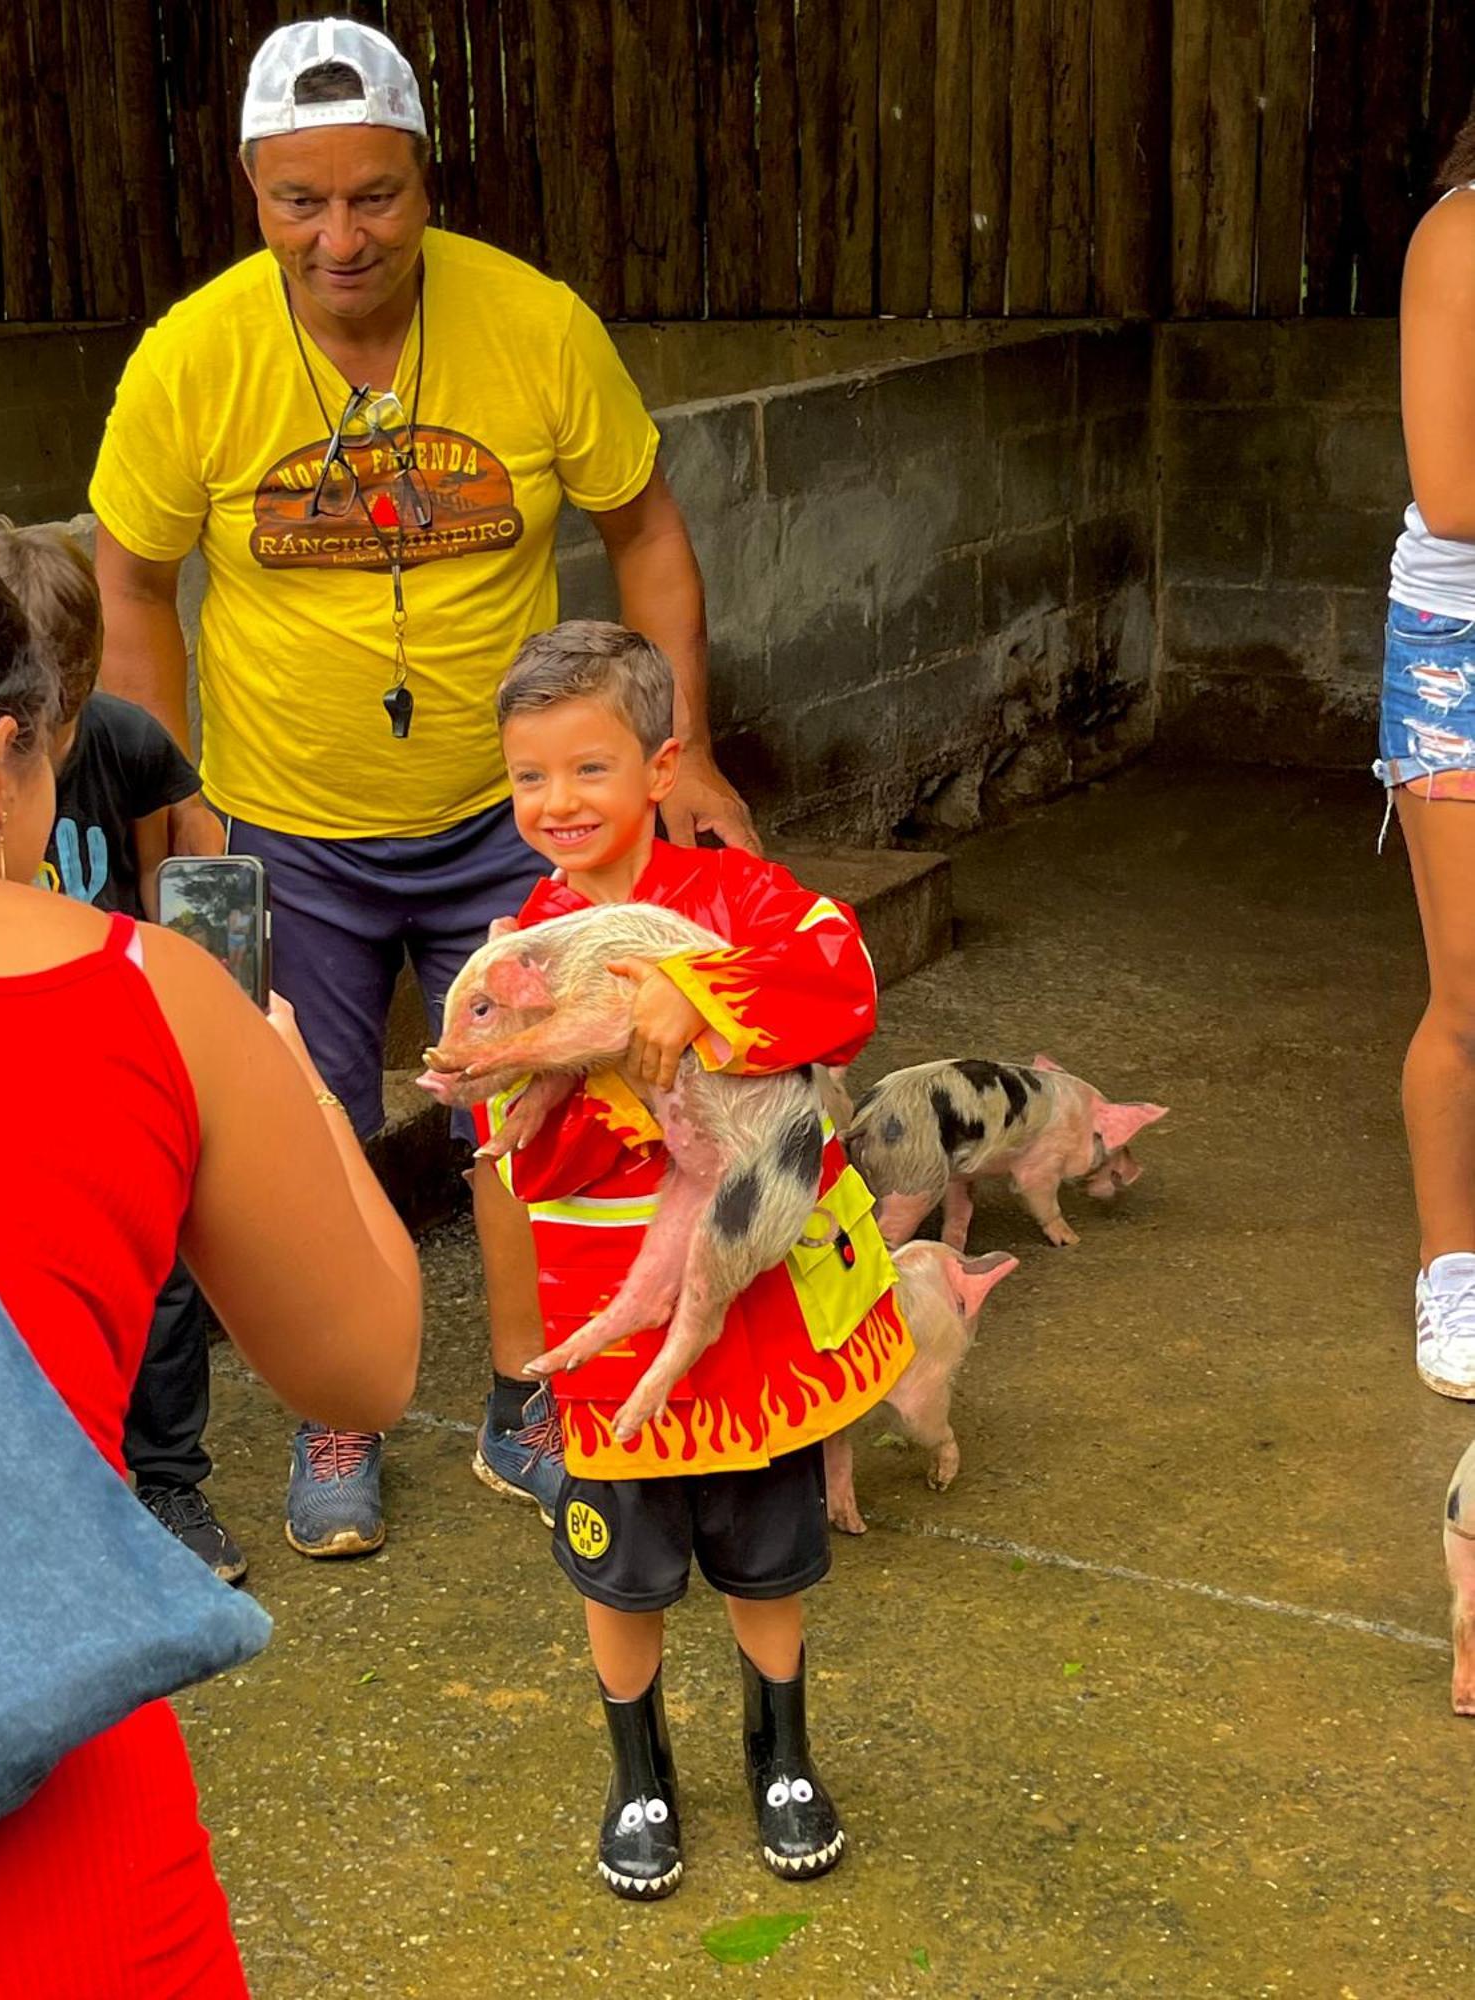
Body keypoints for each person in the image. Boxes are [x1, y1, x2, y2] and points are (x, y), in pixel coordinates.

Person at [89, 15, 755, 1559]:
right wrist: (173, 807)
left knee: (524, 1116)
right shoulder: (192, 357)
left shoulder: (533, 325)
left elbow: (647, 532)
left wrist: (680, 750)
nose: (342, 235)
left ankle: (528, 1397)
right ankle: (344, 1405)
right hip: (284, 817)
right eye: (300, 200)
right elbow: (130, 582)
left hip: (509, 815)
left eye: (374, 194)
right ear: (252, 192)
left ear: (424, 179)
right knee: (307, 1121)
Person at [0, 554, 421, 1991]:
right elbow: (363, 1367)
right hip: (48, 1787)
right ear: (7, 749)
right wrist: (290, 1082)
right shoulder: (148, 994)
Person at [467, 621, 913, 1898]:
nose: (557, 803)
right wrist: (547, 1077)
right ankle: (639, 1770)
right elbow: (520, 1152)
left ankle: (783, 1752)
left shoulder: (747, 898)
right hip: (612, 1316)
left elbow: (844, 975)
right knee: (623, 1565)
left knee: (768, 1554)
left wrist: (699, 991)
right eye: (529, 778)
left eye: (589, 770)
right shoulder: (522, 951)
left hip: (757, 1313)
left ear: (661, 767)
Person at [0, 515, 248, 1584]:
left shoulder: (127, 744)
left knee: (163, 1273)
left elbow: (168, 884)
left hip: (103, 1041)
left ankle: (167, 1480)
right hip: (16, 1047)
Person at [1379, 111, 1475, 1398]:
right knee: (1472, 992)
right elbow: (1453, 487)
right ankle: (1452, 1264)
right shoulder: (1460, 236)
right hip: (1464, 651)